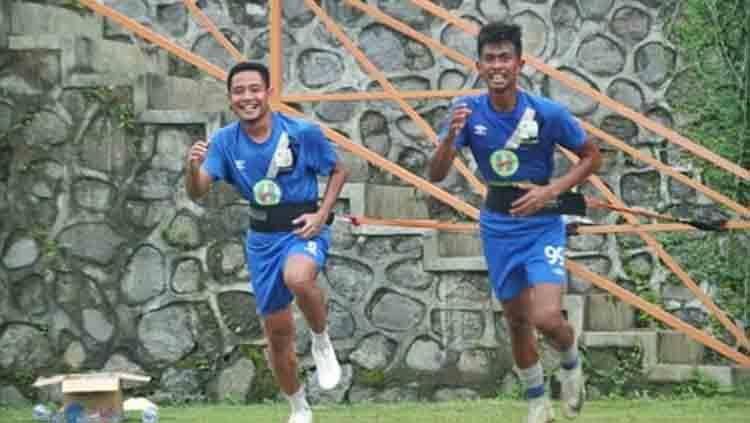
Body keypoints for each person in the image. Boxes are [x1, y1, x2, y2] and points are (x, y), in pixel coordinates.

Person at [428, 22, 601, 423]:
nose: (497, 65)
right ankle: (537, 403)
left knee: (545, 317)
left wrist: (551, 191)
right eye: (490, 59)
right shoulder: (467, 112)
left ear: (521, 63)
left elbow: (592, 156)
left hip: (542, 222)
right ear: (479, 66)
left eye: (505, 57)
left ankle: (571, 363)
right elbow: (436, 174)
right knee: (518, 321)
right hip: (498, 225)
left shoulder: (546, 112)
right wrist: (449, 140)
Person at [185, 61, 349, 423]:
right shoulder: (226, 141)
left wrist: (321, 216)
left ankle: (321, 341)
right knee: (277, 334)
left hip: (302, 230)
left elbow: (339, 169)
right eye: (239, 91)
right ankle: (299, 407)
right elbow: (198, 191)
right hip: (261, 241)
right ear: (230, 98)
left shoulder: (302, 132)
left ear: (269, 92)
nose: (248, 97)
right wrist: (190, 167)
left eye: (254, 89)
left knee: (299, 277)